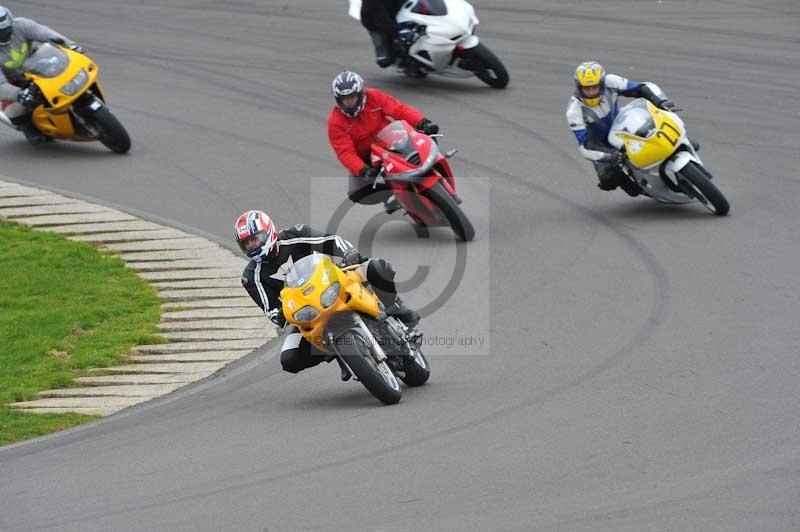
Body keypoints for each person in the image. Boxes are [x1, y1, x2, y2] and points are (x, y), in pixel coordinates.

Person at [235, 209, 420, 377]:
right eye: (247, 243)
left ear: (268, 231)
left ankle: (397, 309)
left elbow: (330, 241)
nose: (252, 245)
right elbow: (271, 310)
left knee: (377, 267)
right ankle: (342, 354)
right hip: (307, 312)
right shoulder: (251, 277)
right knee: (289, 359)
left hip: (333, 281)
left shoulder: (295, 235)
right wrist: (280, 314)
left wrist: (348, 253)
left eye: (255, 239)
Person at [328, 71, 440, 214]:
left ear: (361, 93)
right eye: (345, 99)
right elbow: (345, 152)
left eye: (352, 97)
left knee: (425, 142)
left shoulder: (374, 96)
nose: (349, 102)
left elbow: (399, 110)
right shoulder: (335, 122)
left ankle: (437, 170)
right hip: (367, 157)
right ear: (338, 100)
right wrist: (363, 169)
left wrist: (423, 122)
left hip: (391, 139)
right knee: (357, 193)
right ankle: (391, 196)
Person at [566, 60, 677, 196]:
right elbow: (585, 147)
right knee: (608, 180)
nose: (591, 92)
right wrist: (609, 156)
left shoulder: (610, 81)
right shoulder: (574, 111)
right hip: (600, 143)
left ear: (601, 84)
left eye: (594, 87)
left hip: (622, 125)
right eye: (586, 89)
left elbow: (641, 88)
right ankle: (637, 186)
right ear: (579, 87)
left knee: (657, 121)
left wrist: (661, 102)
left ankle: (680, 144)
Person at [0, 6, 83, 144]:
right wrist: (19, 94)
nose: (4, 34)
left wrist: (70, 45)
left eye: (6, 29)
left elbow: (47, 33)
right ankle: (28, 128)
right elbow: (1, 85)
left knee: (69, 71)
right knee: (13, 111)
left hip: (37, 64)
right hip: (14, 81)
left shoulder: (21, 25)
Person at [360, 0, 410, 68]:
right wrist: (398, 30)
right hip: (375, 22)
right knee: (386, 60)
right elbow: (380, 19)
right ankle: (388, 55)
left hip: (397, 14)